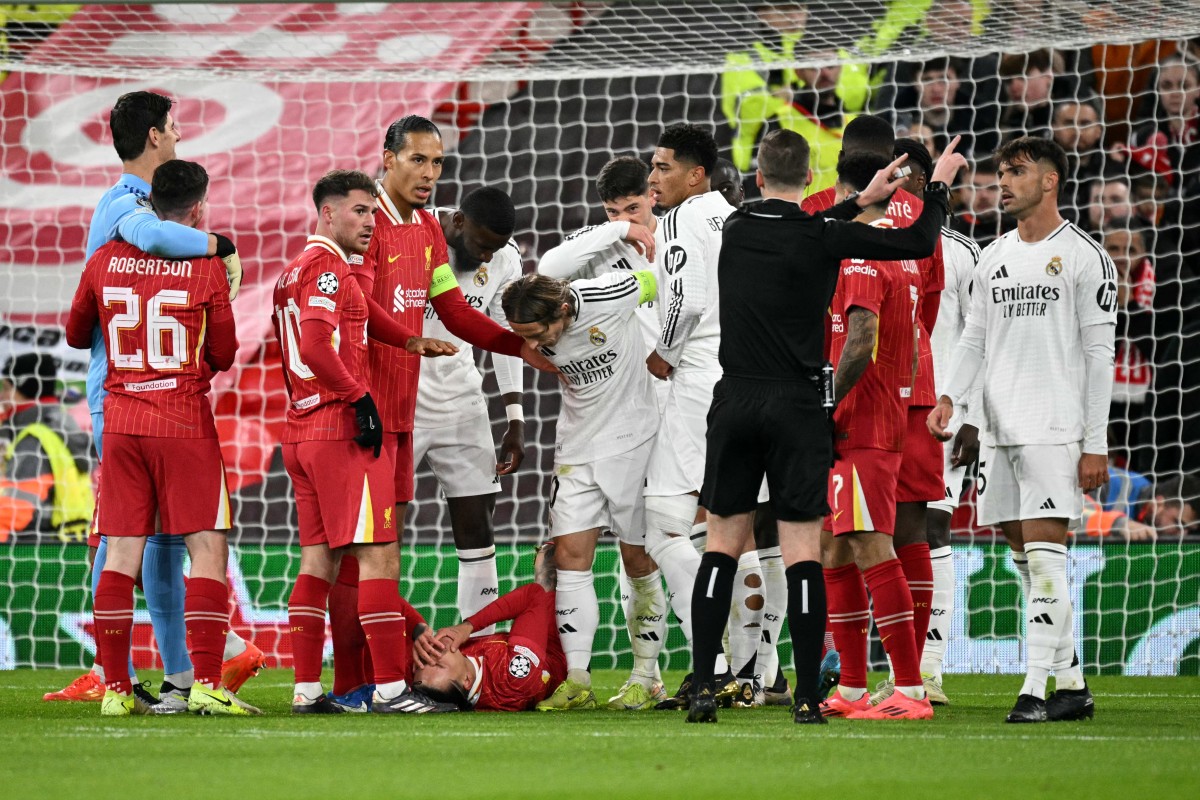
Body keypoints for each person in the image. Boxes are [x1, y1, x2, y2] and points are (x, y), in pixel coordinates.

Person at [686, 128, 963, 724]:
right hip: (797, 405)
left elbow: (795, 225)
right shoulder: (825, 238)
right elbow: (916, 239)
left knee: (720, 549)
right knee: (806, 553)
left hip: (733, 400)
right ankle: (811, 696)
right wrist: (934, 188)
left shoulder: (736, 228)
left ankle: (704, 687)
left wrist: (857, 198)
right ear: (809, 179)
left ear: (757, 180)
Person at [327, 116, 554, 712]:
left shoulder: (426, 227)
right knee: (365, 549)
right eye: (418, 160)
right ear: (387, 157)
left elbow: (451, 306)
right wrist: (405, 343)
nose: (429, 173)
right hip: (365, 405)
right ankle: (356, 682)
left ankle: (377, 681)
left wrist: (516, 347)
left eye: (438, 163)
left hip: (402, 405)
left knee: (377, 549)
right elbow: (353, 306)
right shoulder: (363, 221)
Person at [47, 90, 264, 708]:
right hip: (126, 395)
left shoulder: (134, 213)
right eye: (172, 127)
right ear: (153, 138)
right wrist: (217, 244)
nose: (178, 133)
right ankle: (159, 669)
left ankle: (159, 673)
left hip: (127, 397)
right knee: (136, 539)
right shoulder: (128, 206)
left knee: (142, 543)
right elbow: (160, 239)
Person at [929, 137, 1117, 723]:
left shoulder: (1086, 257)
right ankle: (1073, 684)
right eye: (1000, 173)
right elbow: (974, 340)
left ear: (1051, 181)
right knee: (1022, 559)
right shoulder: (993, 256)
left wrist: (1095, 444)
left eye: (1017, 172)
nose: (1002, 182)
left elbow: (1100, 355)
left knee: (1044, 560)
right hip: (997, 429)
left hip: (1053, 428)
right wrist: (950, 400)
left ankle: (1034, 690)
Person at [274, 170, 449, 715]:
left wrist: (410, 338)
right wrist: (361, 399)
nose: (371, 222)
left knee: (317, 563)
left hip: (300, 432)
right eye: (359, 211)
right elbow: (316, 345)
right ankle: (392, 690)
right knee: (377, 557)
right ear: (327, 213)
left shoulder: (295, 271)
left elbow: (364, 316)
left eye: (373, 212)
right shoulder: (327, 267)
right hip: (340, 430)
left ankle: (306, 690)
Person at [804, 117, 947, 707]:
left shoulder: (860, 253)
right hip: (885, 409)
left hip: (859, 417)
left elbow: (859, 341)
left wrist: (827, 408)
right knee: (837, 545)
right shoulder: (906, 239)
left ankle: (910, 685)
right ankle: (856, 686)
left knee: (868, 543)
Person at [536, 155, 669, 710]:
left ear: (654, 195)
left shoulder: (680, 240)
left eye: (634, 206)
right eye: (612, 210)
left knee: (655, 552)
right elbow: (549, 262)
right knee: (583, 553)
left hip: (665, 406)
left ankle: (664, 674)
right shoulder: (600, 248)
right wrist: (621, 228)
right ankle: (587, 681)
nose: (626, 218)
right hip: (602, 413)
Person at [500, 269, 659, 712]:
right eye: (522, 335)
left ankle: (645, 678)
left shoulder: (611, 291)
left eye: (537, 334)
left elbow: (662, 284)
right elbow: (521, 348)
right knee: (569, 557)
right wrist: (534, 350)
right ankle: (577, 680)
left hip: (634, 443)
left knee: (638, 560)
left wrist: (667, 354)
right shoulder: (531, 329)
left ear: (564, 310)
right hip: (576, 447)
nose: (532, 344)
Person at [641, 124, 740, 710]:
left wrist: (665, 352)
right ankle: (756, 667)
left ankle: (715, 663)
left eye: (662, 167)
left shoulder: (678, 221)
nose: (654, 178)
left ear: (696, 174)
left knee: (662, 524)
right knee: (731, 531)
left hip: (698, 374)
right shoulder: (731, 217)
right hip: (741, 378)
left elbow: (689, 298)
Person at [414, 187, 525, 635]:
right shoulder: (412, 237)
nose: (486, 258)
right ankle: (383, 649)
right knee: (384, 528)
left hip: (461, 400)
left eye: (494, 250)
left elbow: (502, 337)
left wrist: (515, 419)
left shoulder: (506, 259)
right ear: (458, 222)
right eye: (481, 246)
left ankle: (480, 642)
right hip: (400, 398)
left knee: (477, 519)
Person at [895, 138, 983, 704]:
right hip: (881, 413)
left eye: (906, 177)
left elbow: (981, 335)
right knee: (872, 537)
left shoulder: (961, 251)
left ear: (928, 183)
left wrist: (971, 414)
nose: (897, 186)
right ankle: (882, 666)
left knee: (931, 529)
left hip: (940, 415)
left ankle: (929, 669)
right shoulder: (871, 238)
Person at [413, 542, 566, 712]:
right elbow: (534, 596)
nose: (432, 655)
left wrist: (416, 630)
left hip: (533, 642)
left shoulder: (447, 676)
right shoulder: (512, 679)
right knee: (550, 559)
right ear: (467, 680)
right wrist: (468, 626)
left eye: (423, 662)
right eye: (439, 665)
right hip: (559, 642)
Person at [0, 352, 93, 542]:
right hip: (65, 543)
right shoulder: (63, 425)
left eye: (6, 388)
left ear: (23, 387)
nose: (2, 396)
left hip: (30, 549)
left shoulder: (33, 438)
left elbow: (15, 514)